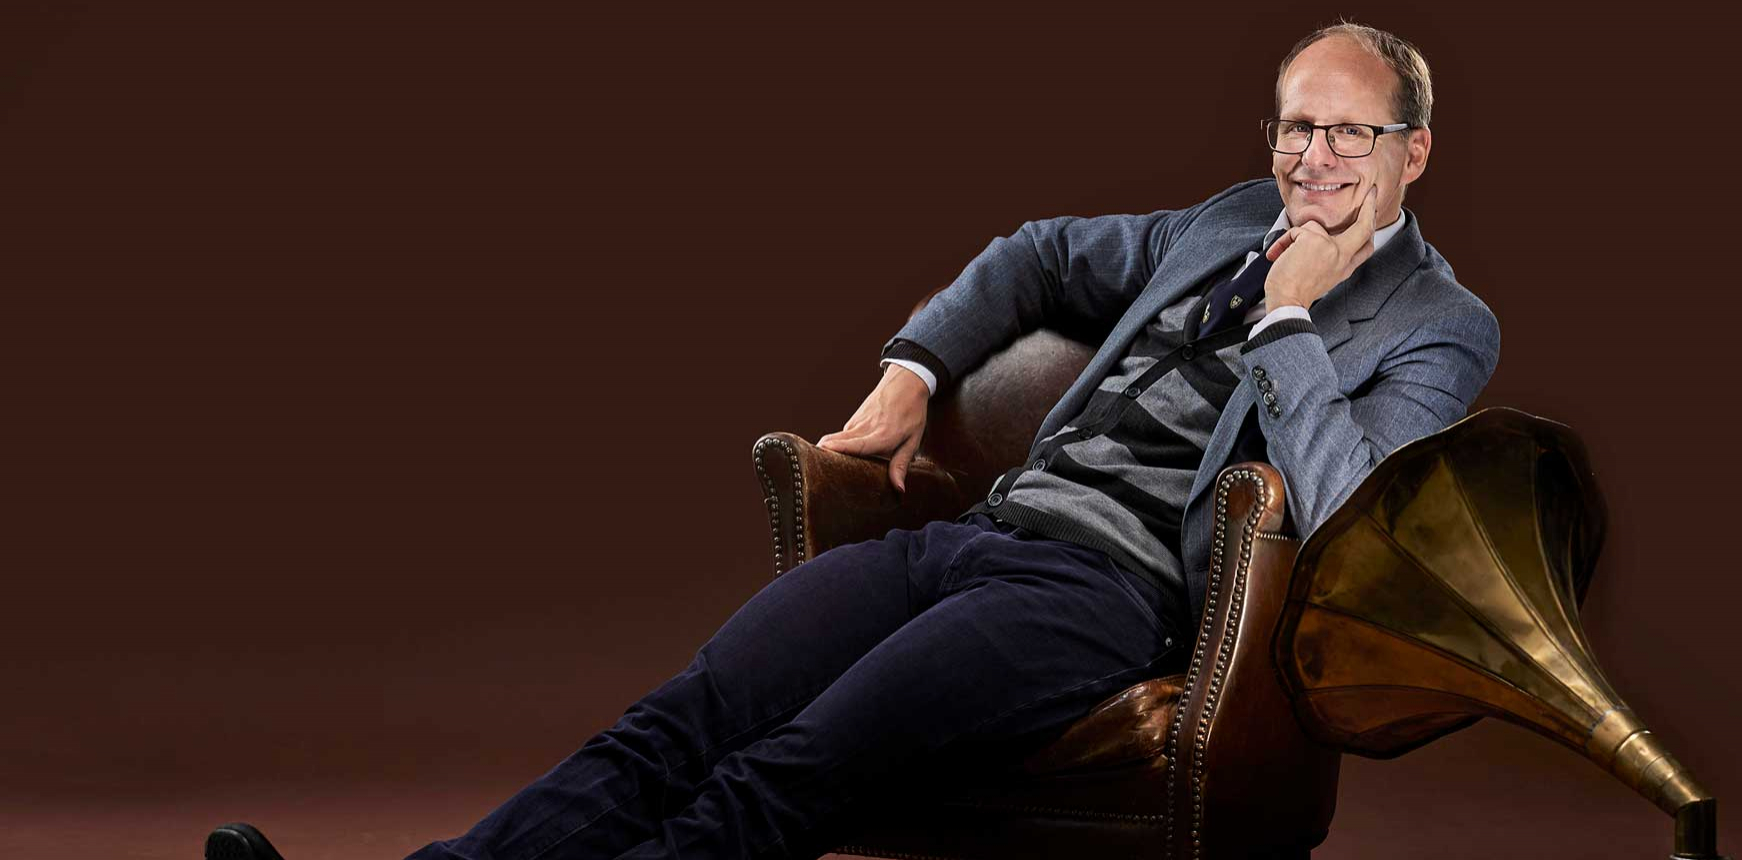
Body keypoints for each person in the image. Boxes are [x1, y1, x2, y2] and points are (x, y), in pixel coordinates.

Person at [205, 21, 1497, 860]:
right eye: (1295, 125)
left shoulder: (1439, 325)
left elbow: (1349, 507)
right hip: (977, 538)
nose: (1312, 157)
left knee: (795, 767)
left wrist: (1287, 323)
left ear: (1415, 151)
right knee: (684, 717)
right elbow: (1036, 256)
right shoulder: (1223, 220)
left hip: (1108, 595)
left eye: (1349, 131)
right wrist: (913, 370)